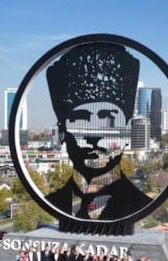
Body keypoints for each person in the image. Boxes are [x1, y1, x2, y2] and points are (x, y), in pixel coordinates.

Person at [44, 42, 153, 221]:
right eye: (81, 119)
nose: (94, 136)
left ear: (128, 133)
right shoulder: (52, 203)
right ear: (61, 131)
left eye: (109, 120)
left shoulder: (140, 205)